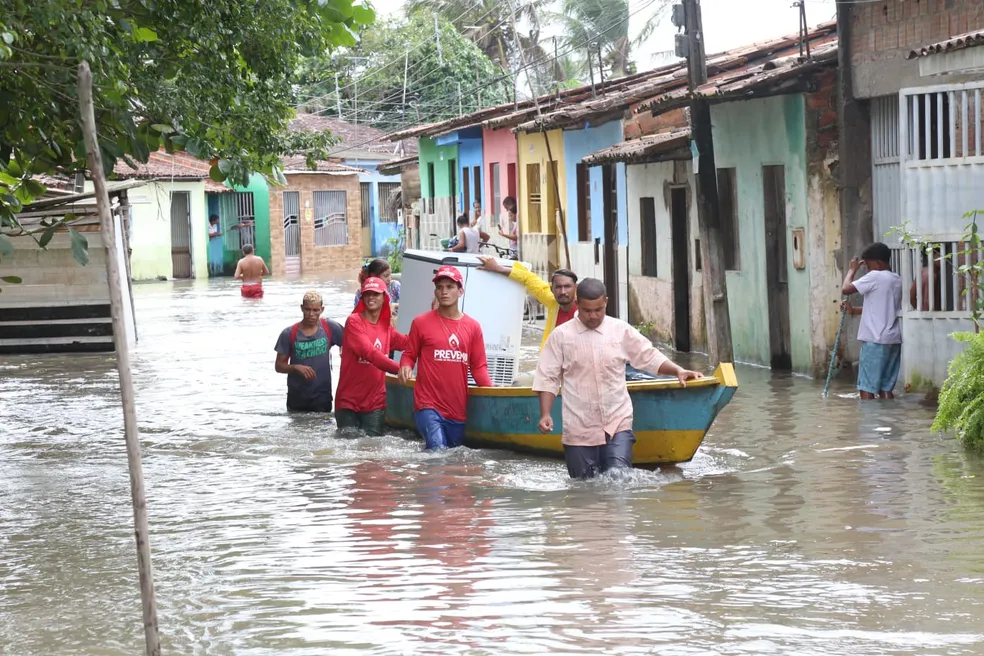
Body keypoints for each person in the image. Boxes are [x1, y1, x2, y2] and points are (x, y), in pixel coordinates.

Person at [533, 278, 704, 479]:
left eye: (598, 309)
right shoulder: (561, 336)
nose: (593, 316)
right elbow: (548, 377)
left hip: (617, 421)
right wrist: (545, 414)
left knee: (619, 479)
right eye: (587, 311)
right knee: (583, 489)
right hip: (579, 426)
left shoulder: (620, 330)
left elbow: (647, 356)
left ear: (606, 302)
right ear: (577, 304)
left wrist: (677, 371)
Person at [398, 265, 493, 450]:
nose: (444, 292)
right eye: (440, 287)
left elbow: (479, 367)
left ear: (460, 291)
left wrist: (493, 394)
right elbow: (409, 355)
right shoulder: (420, 322)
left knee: (451, 459)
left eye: (449, 287)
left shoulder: (473, 327)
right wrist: (405, 366)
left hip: (457, 410)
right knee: (437, 450)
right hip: (427, 405)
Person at [335, 277, 410, 435]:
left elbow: (408, 343)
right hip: (348, 401)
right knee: (348, 450)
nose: (371, 297)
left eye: (375, 294)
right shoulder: (354, 322)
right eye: (367, 294)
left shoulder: (386, 328)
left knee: (372, 451)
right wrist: (401, 370)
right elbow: (370, 353)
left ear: (384, 297)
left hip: (375, 402)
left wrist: (433, 318)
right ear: (362, 297)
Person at [841, 242, 903, 400]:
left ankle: (870, 423)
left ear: (878, 263)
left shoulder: (875, 276)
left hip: (874, 340)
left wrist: (852, 270)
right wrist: (854, 310)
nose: (867, 270)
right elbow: (883, 307)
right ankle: (888, 420)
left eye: (868, 265)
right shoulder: (896, 279)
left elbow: (846, 289)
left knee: (866, 388)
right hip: (893, 340)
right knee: (885, 389)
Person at [477, 256, 577, 350]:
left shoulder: (585, 307)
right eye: (558, 287)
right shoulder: (553, 303)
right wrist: (498, 268)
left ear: (575, 288)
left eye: (567, 286)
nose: (563, 292)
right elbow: (529, 279)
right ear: (552, 289)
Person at [274, 290, 345, 412]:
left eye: (315, 310)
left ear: (322, 309)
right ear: (301, 308)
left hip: (322, 396)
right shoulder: (289, 333)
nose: (311, 314)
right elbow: (279, 366)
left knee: (322, 428)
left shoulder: (330, 328)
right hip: (296, 397)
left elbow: (352, 344)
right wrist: (295, 367)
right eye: (307, 309)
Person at [909, 247, 943, 311]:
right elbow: (927, 301)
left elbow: (911, 296)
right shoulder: (933, 275)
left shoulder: (922, 272)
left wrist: (920, 309)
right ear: (932, 256)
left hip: (922, 316)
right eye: (940, 256)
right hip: (932, 317)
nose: (943, 259)